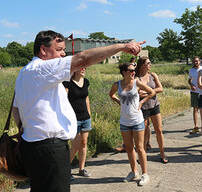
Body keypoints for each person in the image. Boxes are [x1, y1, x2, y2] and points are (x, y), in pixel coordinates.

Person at [12, 30, 144, 191]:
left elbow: (16, 110)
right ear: (43, 50)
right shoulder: (43, 69)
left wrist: (27, 131)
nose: (63, 54)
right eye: (59, 49)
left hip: (33, 147)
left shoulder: (24, 72)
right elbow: (83, 59)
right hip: (49, 149)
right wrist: (122, 47)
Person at [109, 62, 155, 186]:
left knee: (140, 148)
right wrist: (119, 102)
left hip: (137, 120)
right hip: (124, 122)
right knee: (129, 148)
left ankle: (145, 174)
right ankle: (134, 172)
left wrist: (141, 102)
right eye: (130, 70)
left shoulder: (137, 83)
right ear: (124, 72)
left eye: (134, 70)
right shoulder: (117, 84)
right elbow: (111, 95)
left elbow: (152, 92)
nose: (133, 72)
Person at [136, 57, 168, 163]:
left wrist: (148, 92)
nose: (150, 64)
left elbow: (160, 88)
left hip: (154, 105)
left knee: (159, 130)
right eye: (148, 63)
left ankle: (162, 153)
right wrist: (147, 93)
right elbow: (137, 93)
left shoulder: (153, 75)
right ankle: (142, 155)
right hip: (143, 107)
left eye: (150, 63)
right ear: (142, 65)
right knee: (144, 132)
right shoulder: (137, 78)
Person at [63, 67, 92, 179]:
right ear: (74, 70)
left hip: (85, 118)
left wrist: (89, 113)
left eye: (84, 67)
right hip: (73, 119)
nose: (83, 69)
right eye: (80, 67)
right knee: (75, 145)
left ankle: (81, 168)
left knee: (83, 143)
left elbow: (86, 98)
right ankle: (66, 169)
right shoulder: (67, 83)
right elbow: (63, 100)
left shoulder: (86, 82)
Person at [188, 56, 202, 134]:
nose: (195, 62)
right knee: (195, 109)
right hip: (194, 92)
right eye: (194, 61)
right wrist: (191, 85)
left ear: (200, 61)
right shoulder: (191, 70)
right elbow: (189, 80)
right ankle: (196, 126)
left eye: (197, 61)